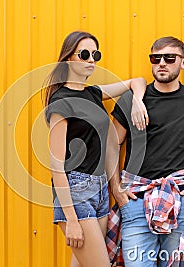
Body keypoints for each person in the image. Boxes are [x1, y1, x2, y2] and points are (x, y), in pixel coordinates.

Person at [106, 36, 184, 267]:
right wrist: (116, 188)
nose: (162, 63)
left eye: (170, 58)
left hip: (180, 197)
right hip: (136, 198)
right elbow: (112, 145)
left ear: (183, 62)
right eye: (155, 58)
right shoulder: (133, 100)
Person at [43, 31, 148, 266]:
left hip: (99, 189)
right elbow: (56, 165)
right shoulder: (61, 102)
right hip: (76, 190)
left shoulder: (93, 93)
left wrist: (138, 101)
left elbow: (136, 82)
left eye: (95, 54)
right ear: (68, 58)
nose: (92, 60)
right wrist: (70, 219)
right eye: (84, 54)